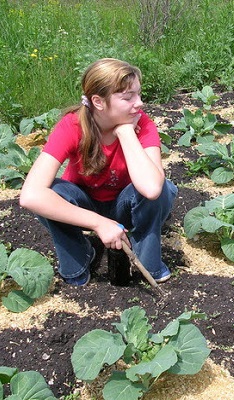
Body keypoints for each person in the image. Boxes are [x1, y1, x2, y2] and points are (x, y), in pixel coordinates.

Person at [19, 58, 177, 286]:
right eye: (128, 97)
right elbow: (30, 195)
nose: (139, 103)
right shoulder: (72, 126)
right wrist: (99, 223)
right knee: (52, 192)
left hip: (125, 207)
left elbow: (152, 189)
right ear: (98, 102)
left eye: (139, 94)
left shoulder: (142, 125)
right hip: (83, 208)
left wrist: (125, 133)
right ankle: (81, 257)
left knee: (163, 188)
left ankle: (147, 262)